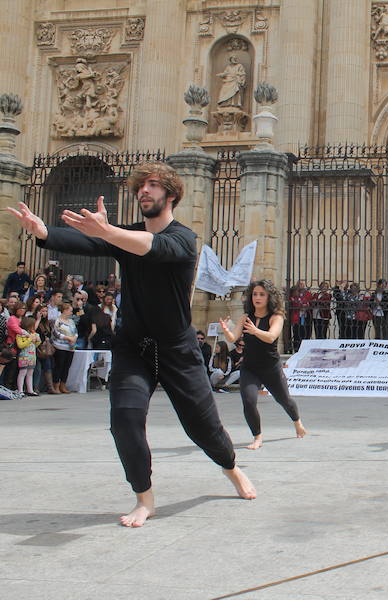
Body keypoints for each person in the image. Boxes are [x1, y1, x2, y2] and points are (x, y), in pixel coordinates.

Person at [8, 160, 256, 528]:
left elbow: (150, 247)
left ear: (171, 194)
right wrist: (45, 231)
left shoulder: (183, 239)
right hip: (133, 348)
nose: (144, 190)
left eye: (153, 185)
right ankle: (144, 497)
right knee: (124, 420)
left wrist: (108, 231)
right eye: (141, 185)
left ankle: (231, 467)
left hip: (177, 350)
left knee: (203, 428)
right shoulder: (124, 236)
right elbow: (91, 242)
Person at [219, 279, 307, 450]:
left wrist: (255, 331)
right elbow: (233, 338)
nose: (257, 297)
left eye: (261, 294)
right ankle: (257, 437)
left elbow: (271, 336)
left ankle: (297, 422)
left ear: (269, 297)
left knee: (285, 400)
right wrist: (226, 330)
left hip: (271, 368)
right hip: (250, 368)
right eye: (255, 294)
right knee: (249, 401)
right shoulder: (246, 317)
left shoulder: (277, 316)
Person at [50, 302, 77, 394]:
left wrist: (74, 338)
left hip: (70, 347)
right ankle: (56, 385)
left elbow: (75, 331)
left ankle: (63, 384)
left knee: (67, 367)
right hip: (60, 346)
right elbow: (55, 333)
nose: (71, 313)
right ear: (64, 311)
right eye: (70, 311)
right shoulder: (57, 320)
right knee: (59, 366)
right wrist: (67, 338)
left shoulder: (71, 321)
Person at [16, 316, 41, 396]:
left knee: (30, 373)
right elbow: (20, 345)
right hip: (24, 356)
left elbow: (35, 345)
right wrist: (30, 339)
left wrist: (37, 340)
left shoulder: (33, 334)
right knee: (22, 372)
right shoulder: (20, 334)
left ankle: (30, 390)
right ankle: (20, 390)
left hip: (32, 356)